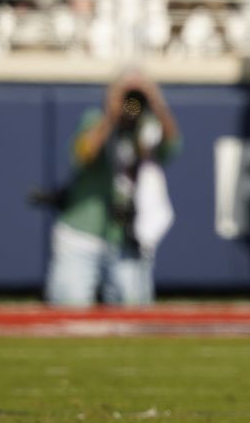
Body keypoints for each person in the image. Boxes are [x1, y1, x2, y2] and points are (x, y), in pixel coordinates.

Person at [45, 71, 181, 307]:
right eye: (127, 94)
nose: (132, 102)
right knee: (68, 310)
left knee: (132, 314)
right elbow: (83, 155)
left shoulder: (148, 127)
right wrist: (112, 115)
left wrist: (156, 102)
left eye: (135, 96)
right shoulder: (94, 120)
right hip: (82, 235)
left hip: (126, 238)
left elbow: (172, 147)